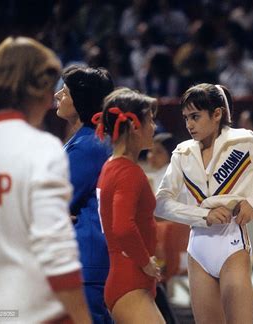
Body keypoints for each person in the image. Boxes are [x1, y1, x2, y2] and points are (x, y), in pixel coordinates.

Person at [155, 83, 253, 323]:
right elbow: (161, 204)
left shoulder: (243, 142)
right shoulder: (181, 153)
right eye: (185, 118)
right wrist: (202, 216)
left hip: (232, 242)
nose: (189, 124)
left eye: (195, 116)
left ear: (217, 114)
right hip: (198, 247)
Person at [0, 36, 91, 323]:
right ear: (37, 90)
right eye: (50, 87)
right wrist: (82, 317)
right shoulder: (40, 148)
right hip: (33, 312)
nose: (52, 98)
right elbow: (57, 254)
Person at [94, 88, 165, 323]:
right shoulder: (129, 173)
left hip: (127, 279)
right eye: (151, 120)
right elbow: (123, 227)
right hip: (130, 281)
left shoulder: (111, 165)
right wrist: (145, 262)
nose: (154, 127)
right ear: (135, 126)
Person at [55, 65, 115, 323]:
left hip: (86, 257)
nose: (58, 95)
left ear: (81, 101)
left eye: (65, 92)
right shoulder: (86, 140)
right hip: (85, 255)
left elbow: (58, 201)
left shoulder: (88, 145)